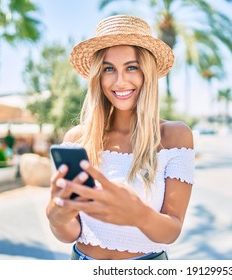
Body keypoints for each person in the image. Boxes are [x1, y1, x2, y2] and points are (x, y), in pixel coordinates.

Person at [46, 14, 195, 260]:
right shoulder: (77, 139)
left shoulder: (174, 137)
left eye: (132, 67)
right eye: (108, 69)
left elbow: (172, 229)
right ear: (98, 76)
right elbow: (70, 232)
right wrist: (56, 215)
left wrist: (137, 213)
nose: (120, 81)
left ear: (147, 72)